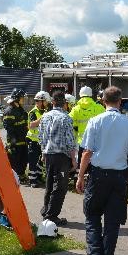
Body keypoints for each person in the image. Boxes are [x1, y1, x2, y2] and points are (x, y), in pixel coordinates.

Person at [76, 86, 128, 255]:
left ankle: (94, 252)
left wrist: (80, 176)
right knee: (112, 223)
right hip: (119, 178)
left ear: (103, 101)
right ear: (120, 102)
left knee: (92, 214)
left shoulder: (95, 121)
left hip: (98, 176)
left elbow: (87, 152)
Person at [39, 91, 77, 226]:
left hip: (49, 155)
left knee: (49, 184)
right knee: (60, 186)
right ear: (65, 104)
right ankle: (51, 216)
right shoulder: (66, 118)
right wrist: (74, 159)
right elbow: (70, 142)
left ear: (52, 102)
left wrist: (43, 153)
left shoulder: (45, 116)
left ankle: (46, 210)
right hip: (61, 156)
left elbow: (41, 137)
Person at [69, 86, 105, 166]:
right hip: (96, 143)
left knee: (82, 166)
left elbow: (69, 123)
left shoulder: (75, 109)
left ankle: (80, 177)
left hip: (81, 143)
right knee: (94, 166)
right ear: (91, 95)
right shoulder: (99, 108)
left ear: (80, 95)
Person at [2, 88, 29, 182]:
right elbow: (9, 128)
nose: (23, 99)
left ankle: (21, 175)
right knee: (14, 161)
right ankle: (13, 178)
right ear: (17, 98)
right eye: (22, 98)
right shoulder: (9, 111)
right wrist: (12, 142)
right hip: (14, 142)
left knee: (23, 160)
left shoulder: (21, 110)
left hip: (23, 141)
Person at [27, 91, 51, 188]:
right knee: (33, 160)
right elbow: (31, 125)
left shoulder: (46, 111)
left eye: (46, 101)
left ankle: (39, 176)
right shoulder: (33, 112)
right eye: (45, 101)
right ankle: (32, 180)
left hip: (43, 141)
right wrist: (43, 117)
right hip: (33, 140)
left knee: (41, 160)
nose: (46, 103)